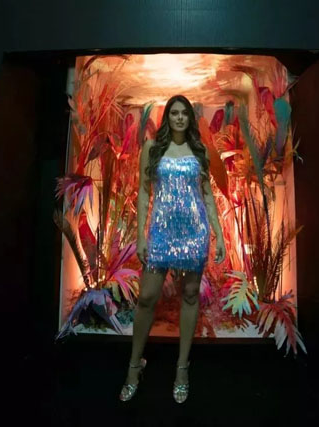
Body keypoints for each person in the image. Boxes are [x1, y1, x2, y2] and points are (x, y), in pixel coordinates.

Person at [119, 95, 226, 403]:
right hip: (161, 232)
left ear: (190, 118)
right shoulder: (152, 148)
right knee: (147, 297)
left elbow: (207, 194)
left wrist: (218, 234)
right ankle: (134, 365)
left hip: (194, 232)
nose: (179, 118)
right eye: (174, 113)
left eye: (184, 113)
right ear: (167, 117)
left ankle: (181, 368)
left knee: (190, 295)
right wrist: (141, 236)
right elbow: (143, 193)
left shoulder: (199, 149)